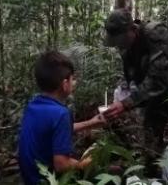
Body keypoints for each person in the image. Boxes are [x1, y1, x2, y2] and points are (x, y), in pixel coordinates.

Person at [102, 9, 168, 176]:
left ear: (132, 30)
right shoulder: (126, 47)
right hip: (155, 94)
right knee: (151, 135)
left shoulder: (156, 34)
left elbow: (158, 80)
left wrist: (126, 103)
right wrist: (124, 92)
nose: (119, 45)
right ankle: (152, 174)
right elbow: (133, 76)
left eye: (120, 40)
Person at [18, 51, 106, 185]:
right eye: (73, 79)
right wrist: (84, 164)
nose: (74, 82)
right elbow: (61, 164)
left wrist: (91, 123)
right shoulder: (61, 113)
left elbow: (53, 130)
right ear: (65, 84)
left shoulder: (33, 105)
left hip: (29, 178)